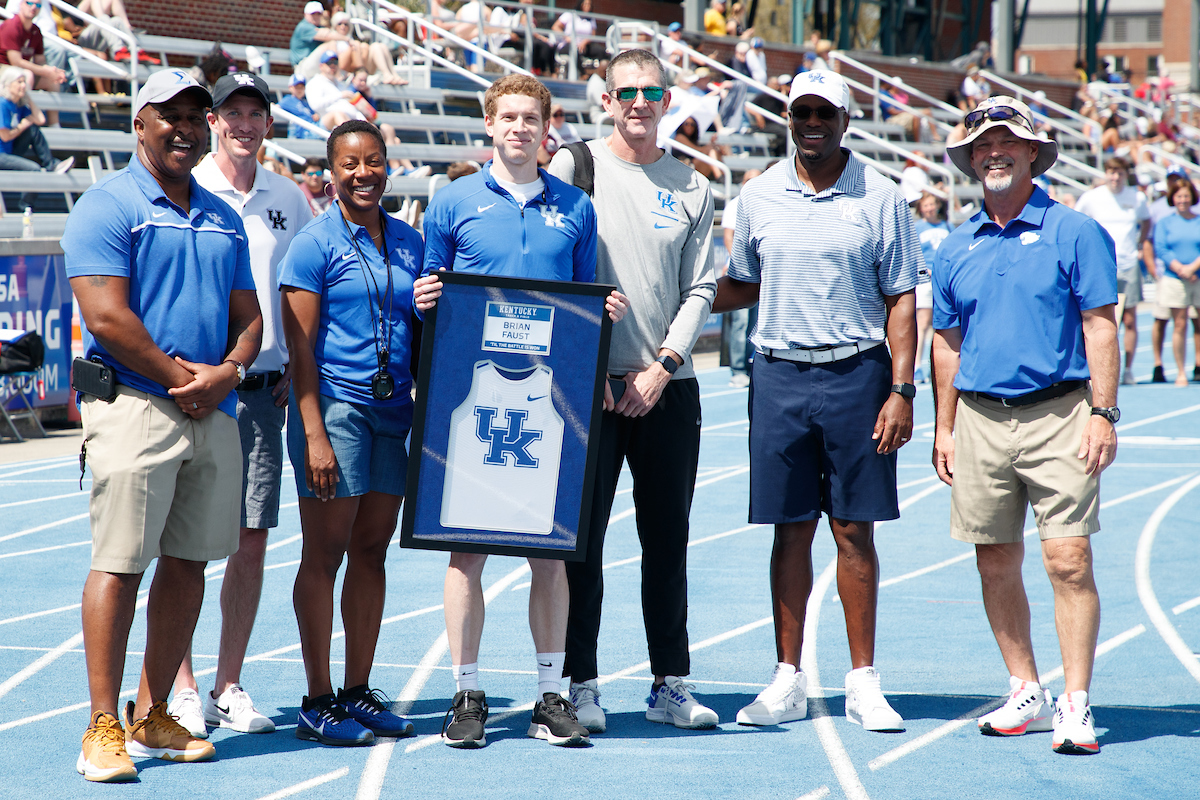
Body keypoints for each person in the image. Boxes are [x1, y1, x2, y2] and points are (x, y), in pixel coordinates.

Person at [414, 73, 627, 750]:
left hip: (549, 405)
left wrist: (601, 316)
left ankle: (548, 694)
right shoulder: (451, 204)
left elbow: (585, 298)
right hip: (474, 401)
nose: (518, 128)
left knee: (550, 554)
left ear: (546, 128)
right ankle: (467, 690)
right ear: (488, 126)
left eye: (529, 118)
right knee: (466, 551)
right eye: (507, 117)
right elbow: (435, 299)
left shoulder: (576, 207)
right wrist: (426, 300)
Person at [62, 69, 263, 782]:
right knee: (119, 562)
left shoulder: (222, 216)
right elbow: (107, 318)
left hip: (211, 407)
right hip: (138, 407)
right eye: (169, 114)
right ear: (139, 124)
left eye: (196, 114)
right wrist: (189, 379)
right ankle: (102, 726)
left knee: (189, 565)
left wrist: (229, 372)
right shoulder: (107, 206)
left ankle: (152, 714)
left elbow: (250, 318)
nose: (186, 126)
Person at [712, 69, 918, 732]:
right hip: (778, 377)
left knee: (854, 529)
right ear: (788, 117)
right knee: (790, 528)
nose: (812, 124)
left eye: (824, 114)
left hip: (858, 376)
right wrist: (671, 298)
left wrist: (902, 389)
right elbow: (742, 284)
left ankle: (862, 683)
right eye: (801, 112)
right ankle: (787, 679)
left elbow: (901, 299)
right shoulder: (758, 195)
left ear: (846, 120)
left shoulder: (881, 197)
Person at [932, 95, 1119, 755]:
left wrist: (1103, 411)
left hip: (1061, 413)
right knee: (994, 561)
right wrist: (944, 426)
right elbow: (947, 342)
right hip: (980, 417)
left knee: (1068, 558)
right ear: (970, 159)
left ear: (1034, 152)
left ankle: (1075, 702)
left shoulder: (1076, 232)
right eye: (981, 146)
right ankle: (1025, 688)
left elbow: (1101, 325)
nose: (993, 153)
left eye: (1007, 142)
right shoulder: (956, 244)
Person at [548, 48, 719, 735]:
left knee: (666, 542)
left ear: (669, 97)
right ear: (606, 99)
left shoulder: (695, 185)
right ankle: (581, 683)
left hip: (665, 389)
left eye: (651, 90)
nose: (639, 102)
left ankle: (669, 682)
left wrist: (661, 367)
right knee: (579, 544)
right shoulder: (574, 167)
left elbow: (701, 288)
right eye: (626, 91)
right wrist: (595, 364)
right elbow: (550, 264)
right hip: (588, 390)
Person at [165, 72, 314, 739]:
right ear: (214, 121)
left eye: (256, 113)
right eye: (233, 113)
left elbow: (304, 292)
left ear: (268, 124)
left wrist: (292, 364)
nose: (245, 124)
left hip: (263, 390)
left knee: (251, 540)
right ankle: (182, 683)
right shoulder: (190, 188)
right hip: (197, 388)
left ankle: (228, 681)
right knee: (187, 539)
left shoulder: (291, 196)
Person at [279, 120, 424, 747]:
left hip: (393, 413)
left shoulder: (412, 242)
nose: (362, 173)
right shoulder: (312, 245)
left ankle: (357, 691)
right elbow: (300, 350)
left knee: (372, 551)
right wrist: (313, 433)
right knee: (326, 553)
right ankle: (317, 698)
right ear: (330, 171)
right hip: (335, 411)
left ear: (387, 166)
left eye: (373, 162)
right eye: (349, 164)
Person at [1073, 157, 1150, 385]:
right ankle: (1093, 368)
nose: (1115, 177)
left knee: (1130, 319)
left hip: (1127, 265)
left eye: (1120, 173)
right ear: (1105, 173)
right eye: (1111, 172)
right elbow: (1076, 222)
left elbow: (1146, 222)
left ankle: (1128, 370)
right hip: (1100, 266)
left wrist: (1139, 244)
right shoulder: (1091, 198)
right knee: (1095, 319)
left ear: (1126, 174)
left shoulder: (1137, 197)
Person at [0, 66, 72, 208]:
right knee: (33, 169)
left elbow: (40, 120)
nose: (23, 85)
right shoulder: (2, 104)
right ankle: (25, 207)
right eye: (19, 82)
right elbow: (5, 136)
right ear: (8, 84)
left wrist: (28, 97)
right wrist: (22, 125)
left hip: (9, 152)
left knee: (33, 129)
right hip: (1, 154)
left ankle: (52, 164)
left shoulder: (18, 104)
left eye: (24, 82)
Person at [1152, 177, 1200, 386]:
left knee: (1198, 323)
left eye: (1186, 196)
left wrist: (1193, 268)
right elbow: (1161, 248)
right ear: (1173, 198)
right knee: (1179, 324)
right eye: (1179, 196)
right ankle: (1180, 371)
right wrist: (1181, 269)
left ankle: (1198, 365)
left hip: (1197, 277)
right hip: (1174, 279)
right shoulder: (1165, 223)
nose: (1183, 200)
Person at [720, 168, 761, 387]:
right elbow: (729, 237)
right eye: (748, 180)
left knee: (754, 322)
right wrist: (738, 263)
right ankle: (737, 368)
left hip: (763, 274)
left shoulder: (767, 202)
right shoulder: (735, 204)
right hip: (741, 273)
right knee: (741, 321)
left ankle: (747, 363)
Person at [0, 0, 67, 126]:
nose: (34, 7)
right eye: (29, 3)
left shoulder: (36, 31)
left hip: (18, 73)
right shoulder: (11, 26)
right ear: (20, 4)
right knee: (26, 75)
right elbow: (16, 62)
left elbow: (40, 61)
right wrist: (45, 71)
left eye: (38, 5)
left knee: (52, 81)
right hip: (3, 69)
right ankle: (22, 117)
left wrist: (53, 72)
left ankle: (55, 126)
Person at [913, 191, 950, 383]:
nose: (929, 209)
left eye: (932, 204)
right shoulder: (918, 227)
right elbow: (912, 253)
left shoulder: (946, 226)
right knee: (923, 323)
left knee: (944, 326)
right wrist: (926, 270)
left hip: (944, 282)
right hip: (926, 281)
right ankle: (917, 366)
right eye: (925, 205)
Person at [278, 73, 324, 139]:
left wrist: (316, 115)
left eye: (301, 87)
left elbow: (313, 115)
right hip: (301, 132)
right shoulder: (288, 99)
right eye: (297, 87)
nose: (299, 90)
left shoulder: (305, 102)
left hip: (312, 129)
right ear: (290, 87)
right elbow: (277, 107)